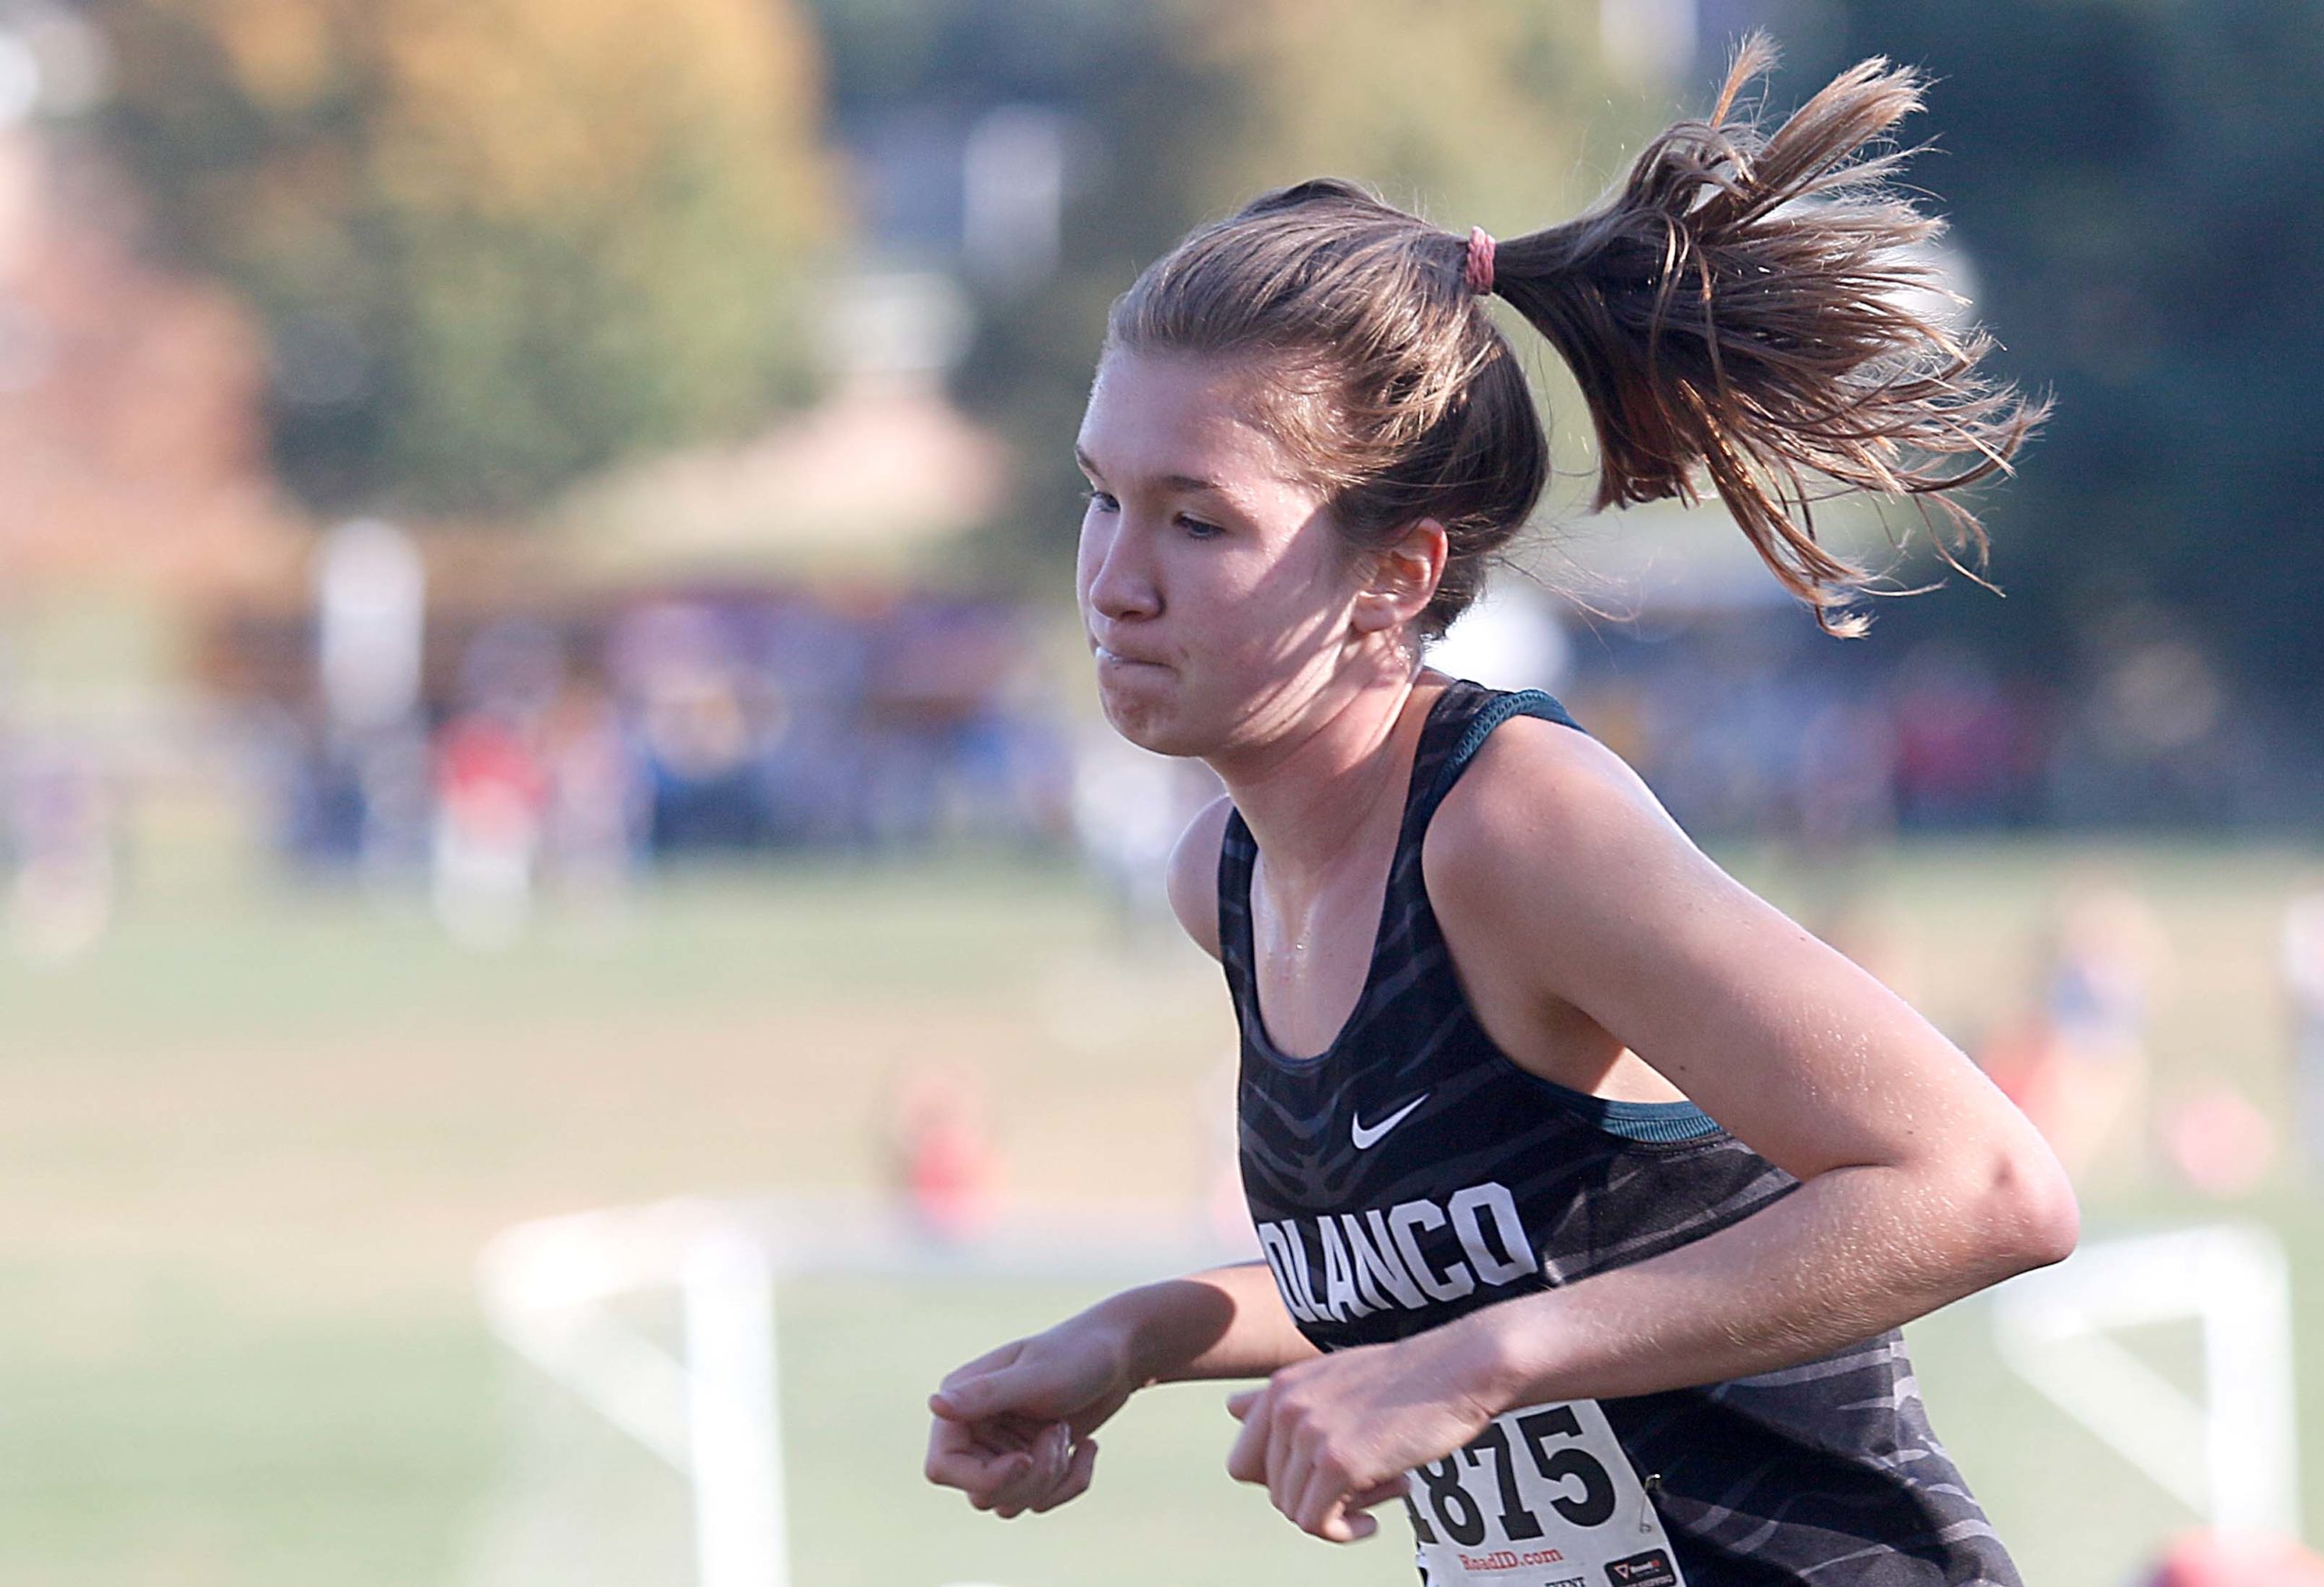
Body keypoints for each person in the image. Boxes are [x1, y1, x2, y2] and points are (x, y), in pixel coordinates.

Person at [923, 38, 2077, 1585]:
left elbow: (1987, 1190)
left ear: (1396, 574)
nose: (1115, 581)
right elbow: (1468, 1257)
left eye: (1199, 520)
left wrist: (1476, 1369)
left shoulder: (1511, 825)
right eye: (1100, 495)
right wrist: (1135, 1333)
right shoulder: (1229, 877)